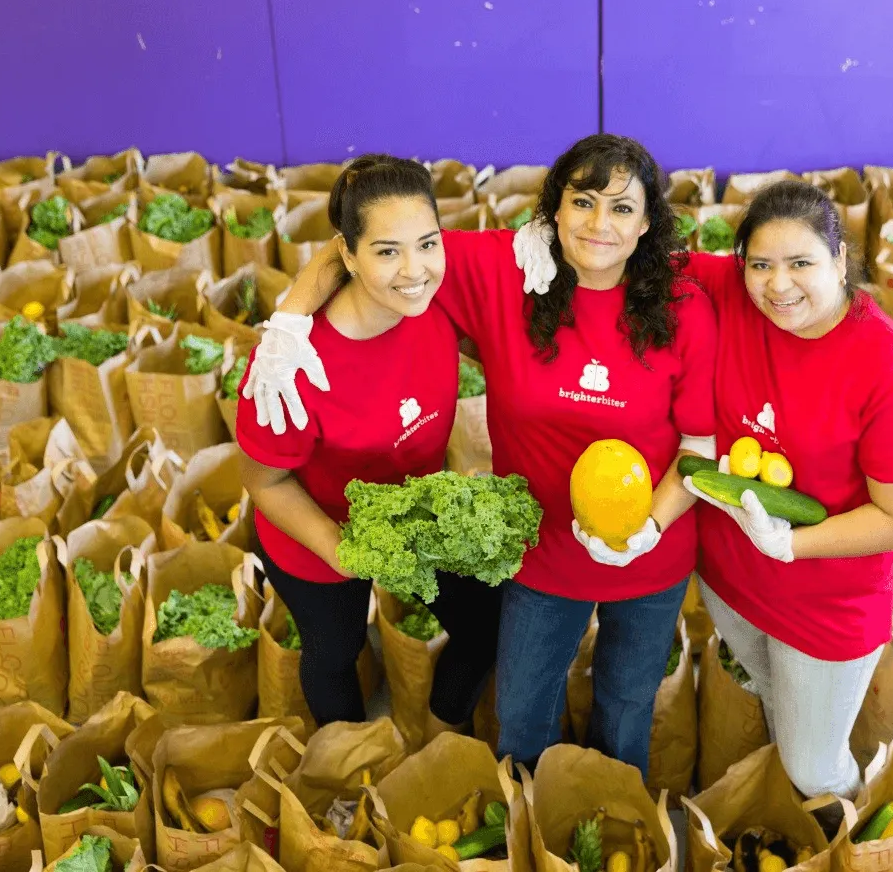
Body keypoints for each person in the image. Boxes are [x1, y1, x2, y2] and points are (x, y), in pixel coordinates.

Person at [247, 134, 717, 775]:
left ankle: (609, 803)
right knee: (520, 715)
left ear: (649, 222)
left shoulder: (683, 298)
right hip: (542, 552)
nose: (600, 224)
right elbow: (371, 242)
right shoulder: (502, 271)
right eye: (582, 200)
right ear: (553, 208)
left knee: (629, 706)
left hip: (650, 551)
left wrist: (652, 525)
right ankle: (495, 799)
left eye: (623, 208)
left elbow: (774, 282)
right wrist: (290, 320)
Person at [514, 179, 893, 798]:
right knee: (778, 707)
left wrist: (794, 546)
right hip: (730, 583)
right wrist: (540, 237)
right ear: (739, 264)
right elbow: (616, 244)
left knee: (812, 765)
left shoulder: (891, 368)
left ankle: (852, 835)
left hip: (825, 605)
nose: (779, 285)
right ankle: (798, 828)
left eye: (802, 263)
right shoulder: (726, 288)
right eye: (762, 265)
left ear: (840, 260)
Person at [234, 154, 502, 733]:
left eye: (427, 244)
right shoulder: (291, 368)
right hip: (315, 529)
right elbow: (263, 482)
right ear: (347, 256)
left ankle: (439, 731)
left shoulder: (437, 295)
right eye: (386, 252)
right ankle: (350, 762)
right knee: (337, 650)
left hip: (416, 510)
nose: (414, 269)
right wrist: (342, 551)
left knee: (487, 626)